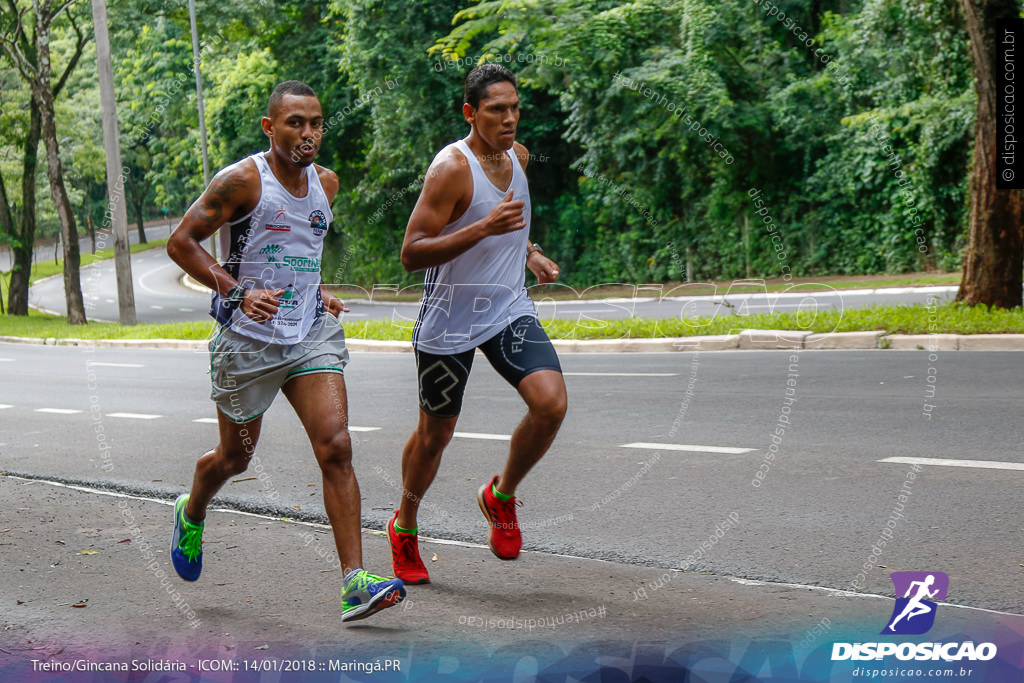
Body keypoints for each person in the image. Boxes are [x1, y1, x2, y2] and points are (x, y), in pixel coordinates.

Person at [166, 80, 405, 622]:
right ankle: (192, 509)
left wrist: (315, 290)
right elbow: (181, 243)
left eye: (316, 122)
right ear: (270, 127)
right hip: (247, 342)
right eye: (295, 122)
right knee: (235, 458)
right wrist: (236, 291)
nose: (308, 133)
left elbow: (299, 251)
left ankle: (354, 582)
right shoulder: (242, 181)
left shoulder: (327, 183)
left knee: (336, 445)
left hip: (307, 334)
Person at [388, 64, 568, 584]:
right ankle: (405, 524)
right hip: (449, 320)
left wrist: (530, 251)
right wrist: (484, 226)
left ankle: (500, 494)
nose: (510, 118)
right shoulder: (451, 168)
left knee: (551, 404)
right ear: (471, 112)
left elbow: (514, 220)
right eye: (497, 110)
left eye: (515, 108)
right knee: (434, 436)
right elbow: (411, 253)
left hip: (508, 309)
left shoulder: (519, 156)